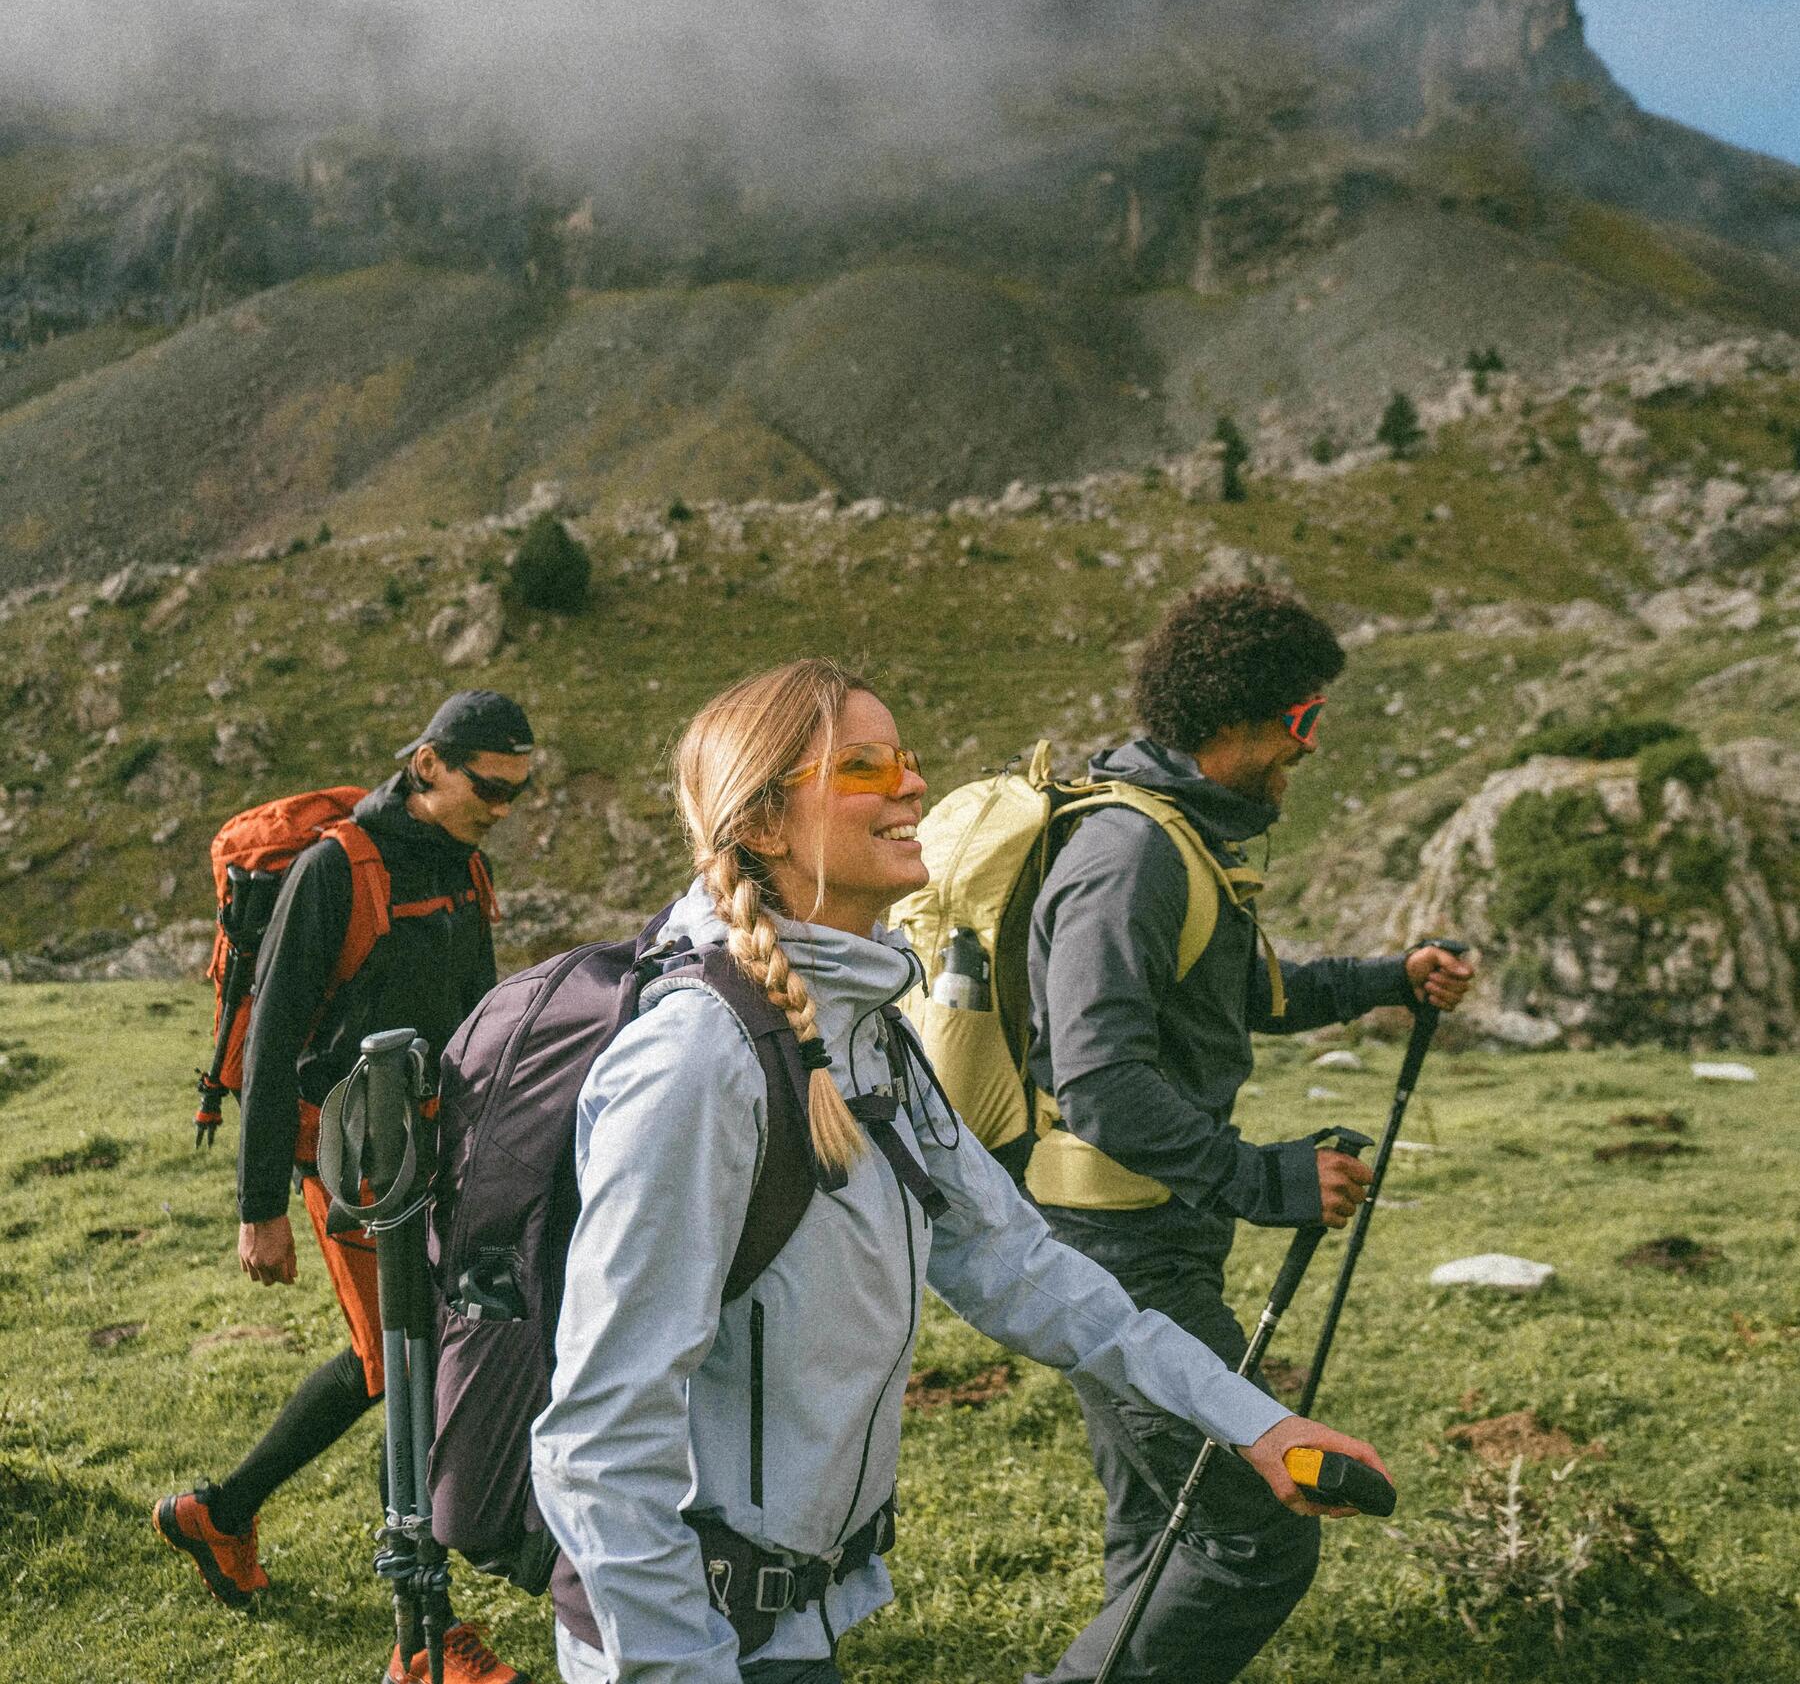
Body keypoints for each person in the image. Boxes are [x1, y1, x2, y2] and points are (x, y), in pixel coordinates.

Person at [530, 658, 1391, 1684]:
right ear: (761, 823)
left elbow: (1030, 1271)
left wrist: (1252, 1421)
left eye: (906, 759)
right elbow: (598, 1439)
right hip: (684, 1642)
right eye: (862, 766)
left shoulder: (868, 1036)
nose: (910, 787)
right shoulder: (697, 1062)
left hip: (783, 1629)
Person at [1023, 583, 1477, 1684]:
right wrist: (1264, 1180)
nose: (1309, 750)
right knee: (1255, 1529)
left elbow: (1244, 994)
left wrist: (1386, 979)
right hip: (1117, 1247)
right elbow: (1099, 1080)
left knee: (1166, 1522)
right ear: (1240, 717)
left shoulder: (1180, 837)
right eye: (1305, 722)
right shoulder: (1129, 856)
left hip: (1139, 1233)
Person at [155, 688, 536, 1684]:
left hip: (440, 1155)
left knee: (391, 1364)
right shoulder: (337, 871)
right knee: (409, 1369)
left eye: (518, 792)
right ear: (427, 765)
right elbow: (275, 1039)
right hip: (354, 1169)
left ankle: (218, 1514)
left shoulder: (461, 862)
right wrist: (258, 1213)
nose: (502, 808)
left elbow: (481, 1015)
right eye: (488, 788)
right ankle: (425, 1632)